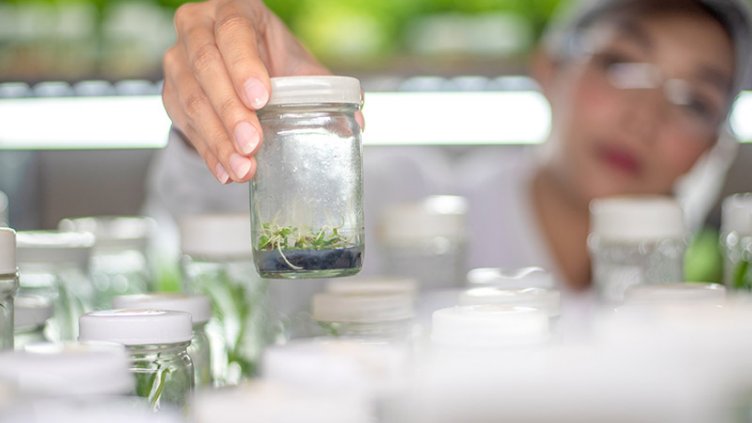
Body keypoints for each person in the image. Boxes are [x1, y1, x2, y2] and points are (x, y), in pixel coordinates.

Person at [150, 0, 752, 292]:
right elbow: (212, 210)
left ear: (713, 147)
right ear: (549, 69)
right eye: (621, 64)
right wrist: (230, 107)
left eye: (695, 100)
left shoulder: (698, 306)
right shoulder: (412, 203)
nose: (644, 115)